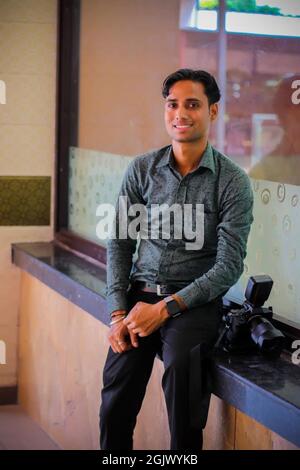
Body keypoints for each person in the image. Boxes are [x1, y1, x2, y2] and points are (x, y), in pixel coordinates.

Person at [99, 69, 254, 451]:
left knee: (183, 399)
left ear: (213, 112)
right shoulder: (142, 169)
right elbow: (119, 241)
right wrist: (118, 312)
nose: (180, 113)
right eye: (172, 104)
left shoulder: (232, 182)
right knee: (114, 407)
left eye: (192, 104)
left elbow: (229, 266)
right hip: (138, 297)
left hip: (193, 304)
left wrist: (166, 308)